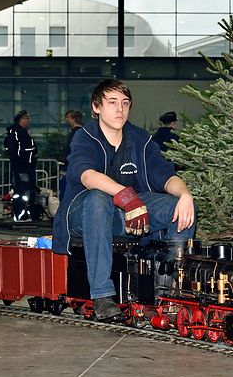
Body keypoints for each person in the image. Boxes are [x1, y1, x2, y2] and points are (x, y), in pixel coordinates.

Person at [52, 79, 196, 323]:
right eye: (112, 102)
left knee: (175, 206)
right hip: (84, 214)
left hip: (127, 214)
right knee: (98, 198)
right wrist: (128, 198)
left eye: (125, 103)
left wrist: (185, 195)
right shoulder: (84, 137)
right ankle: (102, 295)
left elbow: (165, 175)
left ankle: (168, 288)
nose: (120, 109)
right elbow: (88, 176)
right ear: (96, 107)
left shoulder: (141, 140)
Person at [4, 110, 38, 215]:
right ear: (21, 120)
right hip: (24, 167)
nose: (29, 121)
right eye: (27, 118)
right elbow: (23, 150)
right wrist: (32, 155)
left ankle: (20, 212)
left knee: (21, 190)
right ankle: (22, 212)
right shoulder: (19, 133)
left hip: (21, 166)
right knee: (24, 190)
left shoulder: (14, 133)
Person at [60, 110, 84, 200]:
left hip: (71, 166)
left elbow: (69, 150)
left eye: (68, 117)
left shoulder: (74, 134)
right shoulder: (84, 133)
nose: (66, 119)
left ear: (73, 119)